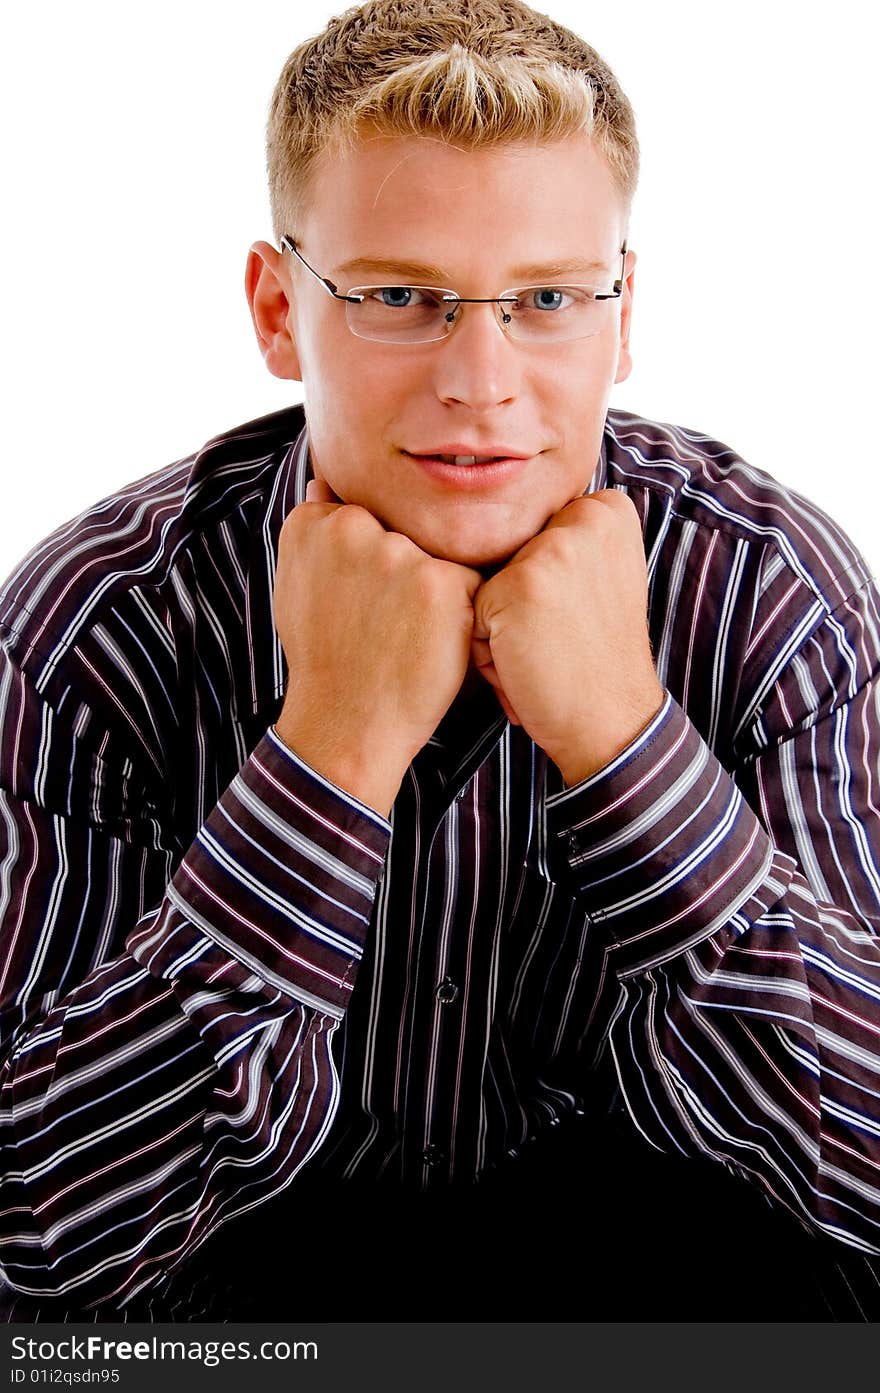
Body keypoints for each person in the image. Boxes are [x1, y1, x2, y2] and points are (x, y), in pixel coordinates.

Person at [1, 0, 880, 1322]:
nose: (482, 378)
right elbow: (41, 1227)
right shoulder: (93, 627)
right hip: (235, 1303)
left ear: (623, 313)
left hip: (665, 1285)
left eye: (545, 300)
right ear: (277, 307)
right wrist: (329, 754)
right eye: (402, 297)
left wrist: (629, 742)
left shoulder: (771, 593)